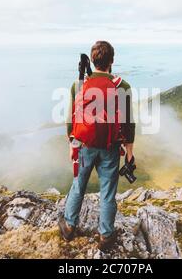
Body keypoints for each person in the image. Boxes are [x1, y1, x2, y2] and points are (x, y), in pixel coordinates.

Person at [59, 41, 135, 251]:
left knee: (78, 185)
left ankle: (69, 226)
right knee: (108, 192)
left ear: (93, 60)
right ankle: (106, 236)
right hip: (110, 147)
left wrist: (71, 143)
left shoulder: (79, 85)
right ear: (112, 61)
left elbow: (70, 119)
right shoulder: (122, 86)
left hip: (83, 145)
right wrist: (129, 152)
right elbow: (128, 123)